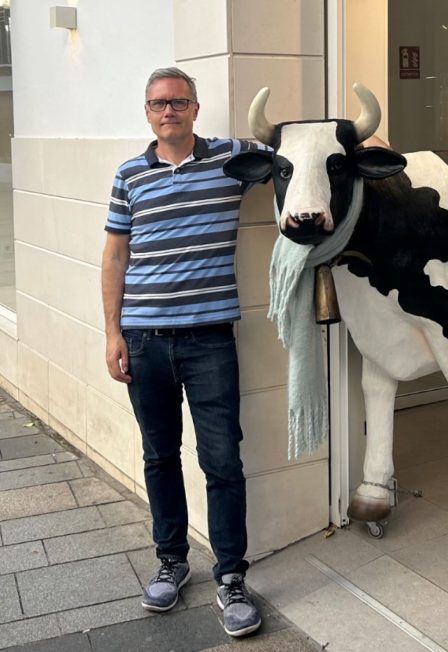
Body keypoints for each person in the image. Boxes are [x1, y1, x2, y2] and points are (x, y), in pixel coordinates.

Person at [101, 67, 267, 638]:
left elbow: (293, 151)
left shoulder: (230, 159)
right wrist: (112, 333)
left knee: (222, 461)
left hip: (210, 340)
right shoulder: (129, 175)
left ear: (195, 109)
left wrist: (357, 144)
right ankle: (171, 563)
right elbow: (115, 259)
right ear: (146, 112)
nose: (167, 111)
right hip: (144, 342)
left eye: (177, 102)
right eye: (156, 104)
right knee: (159, 457)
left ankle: (231, 578)